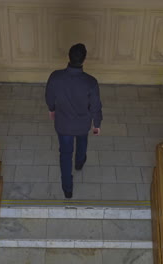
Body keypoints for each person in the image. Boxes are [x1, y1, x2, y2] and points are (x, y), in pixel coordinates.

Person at [45, 43, 103, 199]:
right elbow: (95, 106)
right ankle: (79, 162)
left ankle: (67, 188)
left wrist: (52, 109)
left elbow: (49, 97)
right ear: (84, 60)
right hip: (82, 125)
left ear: (68, 57)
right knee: (82, 141)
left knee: (65, 154)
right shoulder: (91, 82)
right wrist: (96, 125)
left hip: (63, 125)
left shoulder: (55, 77)